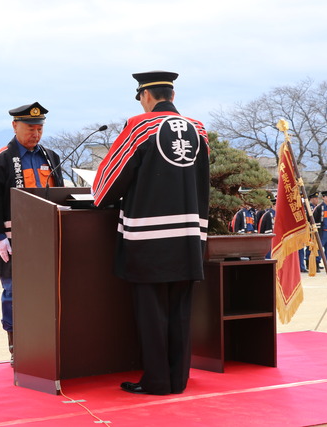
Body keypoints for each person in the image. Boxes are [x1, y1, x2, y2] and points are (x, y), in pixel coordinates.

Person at [92, 71, 210, 395]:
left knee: (151, 312)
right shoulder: (199, 129)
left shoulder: (140, 126)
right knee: (180, 311)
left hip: (148, 236)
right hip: (189, 234)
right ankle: (178, 379)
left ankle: (157, 380)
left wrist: (99, 196)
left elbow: (107, 183)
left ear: (145, 96)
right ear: (171, 95)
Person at [0, 102, 63, 363]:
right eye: (30, 128)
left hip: (46, 238)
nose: (35, 134)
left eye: (39, 128)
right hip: (12, 241)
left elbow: (61, 194)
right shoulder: (2, 158)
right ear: (15, 126)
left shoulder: (51, 157)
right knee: (14, 293)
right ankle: (17, 345)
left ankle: (44, 343)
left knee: (46, 293)